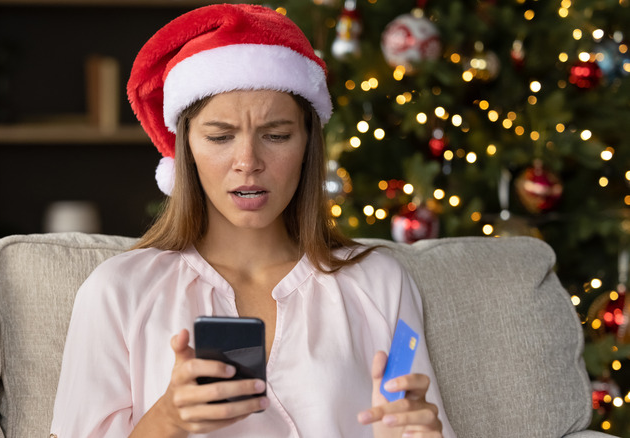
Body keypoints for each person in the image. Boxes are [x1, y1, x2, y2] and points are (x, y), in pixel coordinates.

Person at [50, 4, 455, 437]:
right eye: (220, 137)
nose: (248, 162)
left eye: (276, 135)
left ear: (307, 145)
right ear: (185, 148)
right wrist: (167, 420)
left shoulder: (378, 282)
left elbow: (416, 420)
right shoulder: (118, 290)